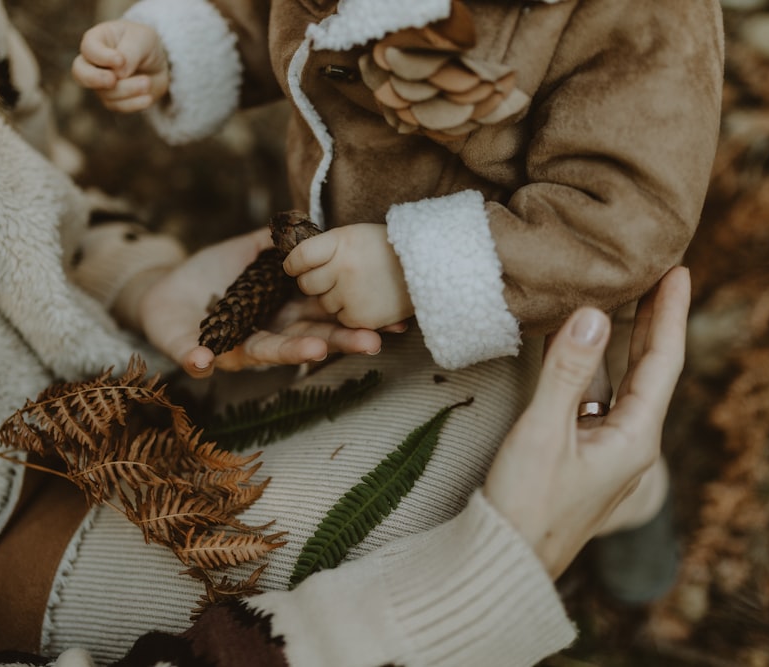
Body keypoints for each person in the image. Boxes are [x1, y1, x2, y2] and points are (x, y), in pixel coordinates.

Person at [0, 0, 689, 664]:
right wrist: (474, 586)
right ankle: (592, 505)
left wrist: (127, 280)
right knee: (472, 453)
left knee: (544, 386)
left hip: (120, 355)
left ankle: (627, 492)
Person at [72, 0, 722, 603]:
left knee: (573, 450)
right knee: (396, 457)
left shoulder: (640, 19)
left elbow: (622, 216)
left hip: (535, 308)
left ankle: (632, 503)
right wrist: (181, 48)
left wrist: (410, 267)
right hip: (351, 282)